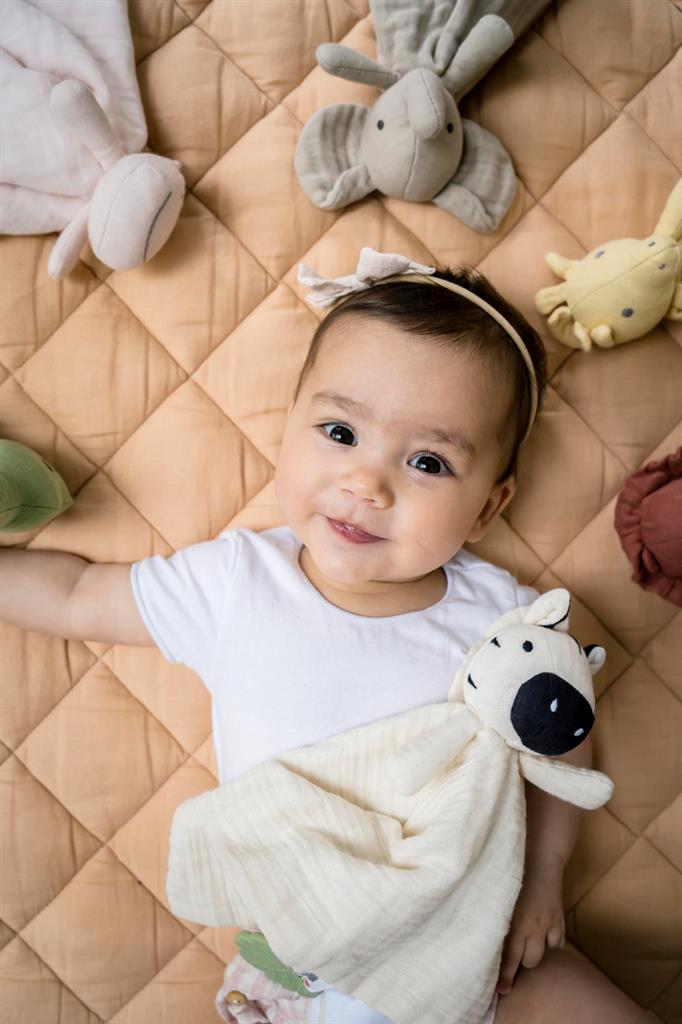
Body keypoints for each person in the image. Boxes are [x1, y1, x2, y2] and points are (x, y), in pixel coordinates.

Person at [0, 251, 648, 1024]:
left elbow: (563, 745)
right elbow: (76, 596)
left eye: (428, 462)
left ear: (486, 508)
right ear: (289, 427)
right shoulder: (237, 584)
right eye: (340, 432)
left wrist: (542, 883)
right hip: (317, 962)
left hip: (474, 949)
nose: (367, 484)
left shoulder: (505, 619)